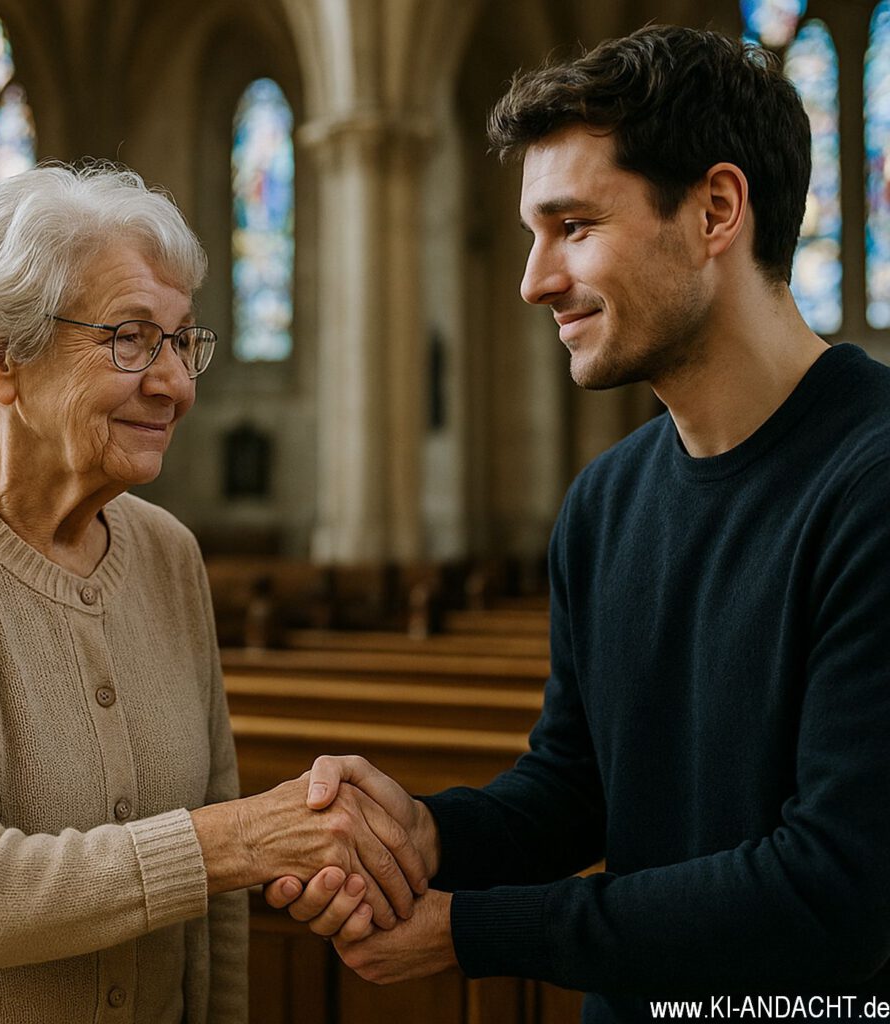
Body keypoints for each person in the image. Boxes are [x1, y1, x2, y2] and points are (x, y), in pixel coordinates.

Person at [264, 24, 890, 1022]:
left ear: (715, 210)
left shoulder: (871, 482)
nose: (534, 279)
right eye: (532, 232)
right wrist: (425, 835)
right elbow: (575, 788)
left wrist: (474, 930)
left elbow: (836, 894)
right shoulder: (605, 500)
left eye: (574, 226)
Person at [0, 163, 426, 1024]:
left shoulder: (168, 554)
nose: (176, 384)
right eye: (131, 339)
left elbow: (214, 908)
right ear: (2, 358)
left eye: (182, 341)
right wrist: (241, 839)